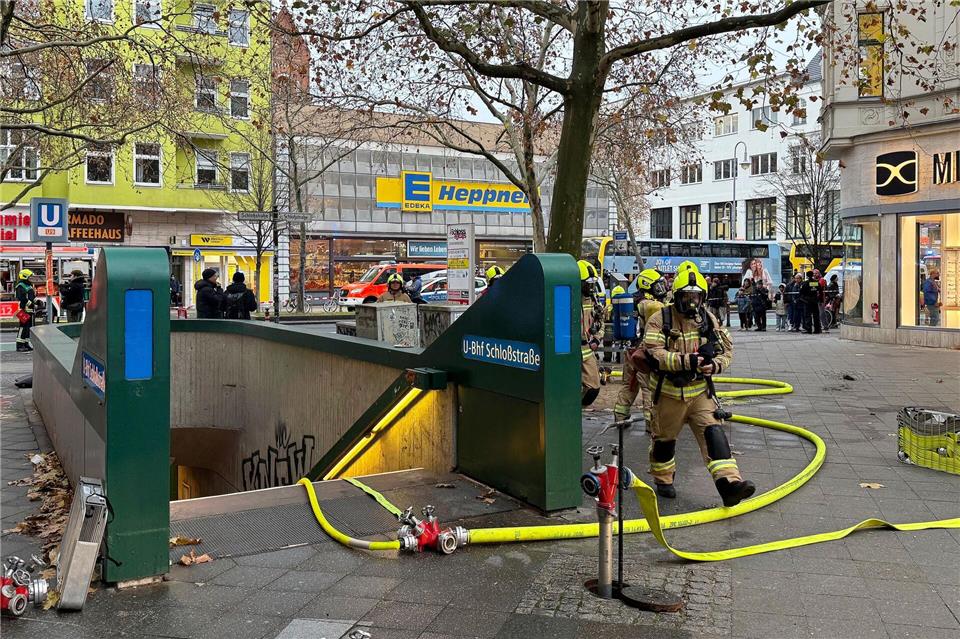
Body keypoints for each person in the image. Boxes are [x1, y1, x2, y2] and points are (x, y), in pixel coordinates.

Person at [642, 267, 755, 506]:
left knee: (714, 435)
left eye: (696, 296)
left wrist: (714, 365)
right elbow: (654, 354)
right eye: (686, 296)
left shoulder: (708, 319)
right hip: (669, 394)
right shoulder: (660, 319)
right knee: (664, 441)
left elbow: (727, 352)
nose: (692, 302)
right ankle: (663, 479)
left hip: (700, 392)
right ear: (677, 295)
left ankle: (730, 485)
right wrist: (686, 361)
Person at [614, 268, 667, 426]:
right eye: (659, 285)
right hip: (643, 352)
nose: (662, 288)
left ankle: (620, 417)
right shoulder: (648, 304)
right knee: (648, 386)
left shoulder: (633, 301)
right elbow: (661, 311)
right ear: (648, 285)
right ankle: (651, 423)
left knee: (629, 384)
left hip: (630, 350)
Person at [579, 260, 604, 406]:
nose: (591, 287)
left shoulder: (592, 300)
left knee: (592, 389)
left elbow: (600, 323)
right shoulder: (566, 298)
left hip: (586, 350)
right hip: (568, 351)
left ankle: (576, 411)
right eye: (587, 284)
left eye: (592, 284)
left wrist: (597, 339)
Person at [15, 269, 36, 352]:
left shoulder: (29, 285)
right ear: (25, 276)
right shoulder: (20, 285)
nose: (31, 278)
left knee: (28, 328)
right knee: (23, 327)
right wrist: (30, 303)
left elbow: (31, 296)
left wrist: (36, 302)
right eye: (30, 276)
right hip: (23, 310)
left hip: (30, 310)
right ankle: (19, 345)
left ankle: (26, 344)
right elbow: (22, 298)